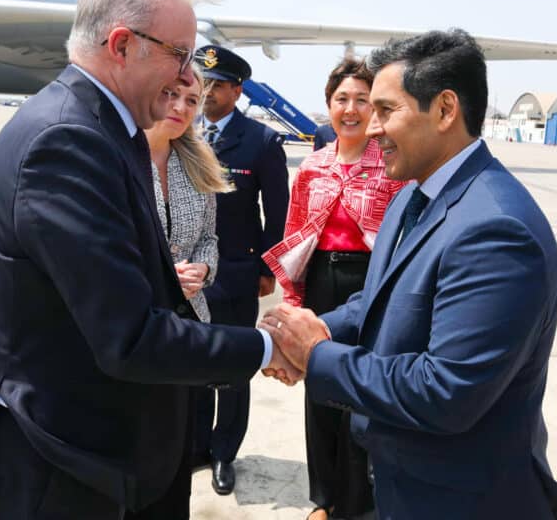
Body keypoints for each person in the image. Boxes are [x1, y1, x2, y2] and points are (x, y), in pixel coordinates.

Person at [0, 0, 292, 520]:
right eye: (179, 54)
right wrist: (274, 347)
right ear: (123, 45)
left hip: (96, 454)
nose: (188, 77)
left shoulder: (106, 130)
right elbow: (129, 336)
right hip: (57, 469)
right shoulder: (66, 143)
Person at [262, 29, 557, 519]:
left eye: (386, 110)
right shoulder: (414, 194)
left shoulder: (496, 229)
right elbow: (380, 301)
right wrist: (312, 328)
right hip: (403, 479)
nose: (372, 126)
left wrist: (315, 355)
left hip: (458, 497)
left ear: (445, 110)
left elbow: (444, 391)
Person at [262, 57, 405, 520]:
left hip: (371, 284)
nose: (351, 109)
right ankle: (324, 500)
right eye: (341, 99)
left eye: (362, 100)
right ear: (328, 105)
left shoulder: (390, 166)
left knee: (362, 395)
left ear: (375, 108)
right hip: (323, 279)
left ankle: (357, 503)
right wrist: (295, 300)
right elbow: (294, 235)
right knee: (320, 390)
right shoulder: (312, 168)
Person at [193, 45, 290, 495]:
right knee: (187, 363)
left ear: (236, 90)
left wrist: (267, 266)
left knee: (233, 366)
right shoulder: (179, 128)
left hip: (235, 272)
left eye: (216, 85)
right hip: (187, 273)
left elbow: (277, 211)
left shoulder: (261, 141)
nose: (206, 92)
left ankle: (223, 452)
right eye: (202, 82)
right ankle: (193, 443)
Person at [145, 66, 230, 323]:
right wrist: (164, 278)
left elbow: (208, 238)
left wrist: (203, 269)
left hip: (190, 320)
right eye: (171, 93)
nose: (181, 107)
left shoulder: (199, 163)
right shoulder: (118, 159)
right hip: (133, 319)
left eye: (191, 100)